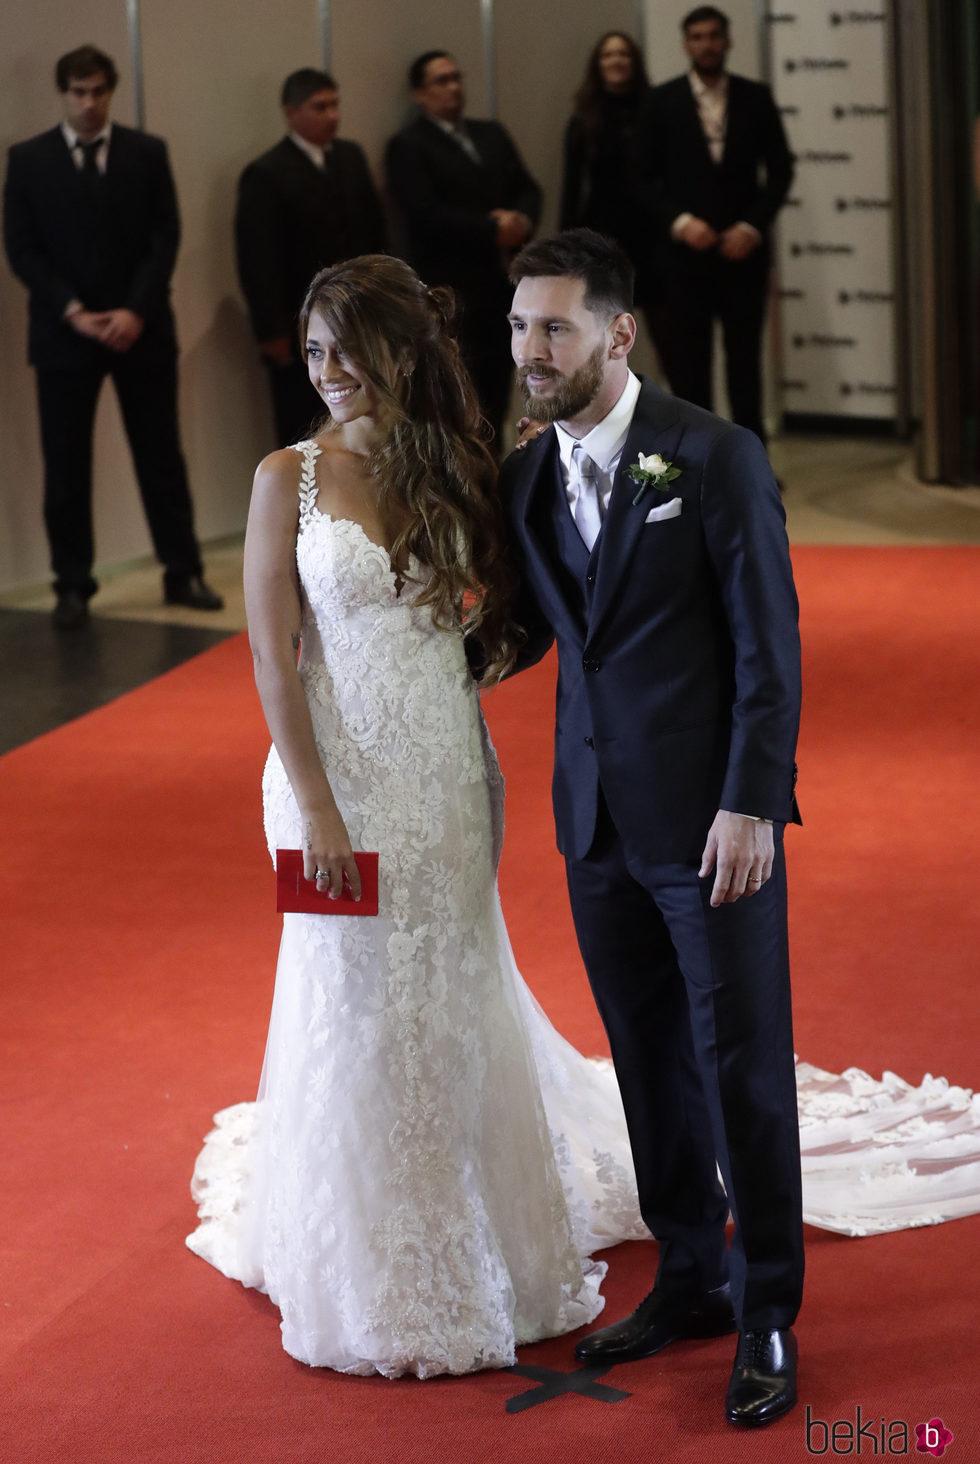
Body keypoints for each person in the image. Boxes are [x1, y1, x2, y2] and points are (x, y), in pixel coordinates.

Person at [185, 254, 649, 1377]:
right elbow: (272, 657)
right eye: (311, 352)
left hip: (448, 772)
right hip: (325, 790)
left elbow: (518, 599)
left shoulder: (458, 462)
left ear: (398, 348)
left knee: (448, 991)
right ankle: (373, 1266)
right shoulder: (282, 475)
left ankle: (485, 1232)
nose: (329, 371)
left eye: (347, 347)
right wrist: (316, 807)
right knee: (350, 1006)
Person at [502, 228, 804, 1427]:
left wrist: (750, 801)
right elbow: (539, 634)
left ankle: (768, 1307)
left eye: (554, 327)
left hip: (710, 825)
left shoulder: (710, 455)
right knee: (645, 1061)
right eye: (520, 325)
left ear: (616, 333)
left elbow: (765, 649)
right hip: (595, 828)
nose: (530, 349)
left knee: (741, 1066)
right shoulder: (528, 477)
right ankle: (687, 1272)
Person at [2, 45, 223, 629]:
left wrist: (133, 310)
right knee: (65, 463)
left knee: (161, 456)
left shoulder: (146, 153)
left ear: (111, 91)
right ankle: (72, 583)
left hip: (140, 328)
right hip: (63, 331)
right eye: (79, 91)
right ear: (63, 93)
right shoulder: (28, 159)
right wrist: (73, 309)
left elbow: (164, 237)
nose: (89, 102)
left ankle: (183, 571)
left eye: (99, 90)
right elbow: (22, 249)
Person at [633, 6, 793, 443]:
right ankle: (698, 461)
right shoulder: (660, 101)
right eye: (698, 37)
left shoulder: (756, 97)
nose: (707, 44)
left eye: (714, 36)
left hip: (744, 256)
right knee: (690, 369)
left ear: (728, 40)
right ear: (686, 44)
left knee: (745, 365)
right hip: (685, 259)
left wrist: (752, 227)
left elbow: (780, 171)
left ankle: (750, 464)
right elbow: (642, 176)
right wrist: (681, 223)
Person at [385, 51, 541, 449]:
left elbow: (528, 186)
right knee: (462, 400)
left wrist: (521, 220)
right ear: (420, 94)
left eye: (457, 77)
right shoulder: (409, 145)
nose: (454, 87)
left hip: (502, 285)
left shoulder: (490, 133)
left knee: (501, 391)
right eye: (441, 80)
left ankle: (499, 480)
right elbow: (424, 214)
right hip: (452, 292)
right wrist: (492, 228)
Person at [234, 69, 387, 449]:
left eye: (335, 104)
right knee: (301, 423)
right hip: (297, 328)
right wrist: (273, 333)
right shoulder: (265, 172)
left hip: (359, 315)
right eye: (320, 106)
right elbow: (258, 259)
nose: (332, 114)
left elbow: (375, 233)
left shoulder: (350, 158)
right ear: (291, 112)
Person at [560, 33, 665, 362]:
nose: (616, 61)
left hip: (655, 237)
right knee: (606, 341)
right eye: (608, 55)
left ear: (634, 63)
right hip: (603, 242)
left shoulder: (657, 112)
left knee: (671, 340)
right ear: (598, 65)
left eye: (623, 54)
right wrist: (565, 252)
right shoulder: (583, 120)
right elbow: (572, 189)